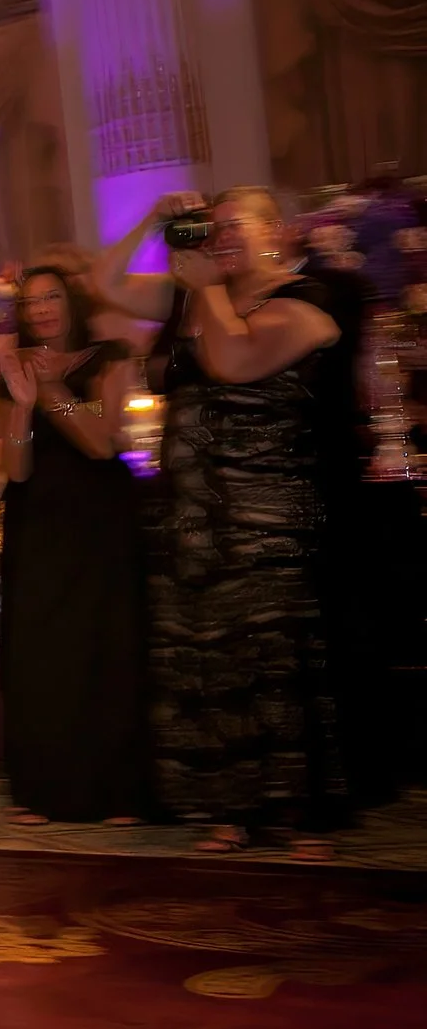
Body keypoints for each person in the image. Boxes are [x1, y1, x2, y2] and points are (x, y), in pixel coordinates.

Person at [95, 189, 344, 856]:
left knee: (270, 659)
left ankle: (294, 812)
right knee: (203, 658)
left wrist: (205, 288)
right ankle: (224, 808)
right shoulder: (190, 293)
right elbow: (104, 283)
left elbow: (233, 361)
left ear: (277, 231)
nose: (221, 235)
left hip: (266, 511)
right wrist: (150, 222)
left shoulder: (308, 300)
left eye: (236, 224)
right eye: (214, 225)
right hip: (189, 511)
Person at [0, 267, 154, 825]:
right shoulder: (14, 366)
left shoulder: (108, 356)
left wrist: (51, 390)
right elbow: (15, 469)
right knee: (42, 653)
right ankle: (45, 790)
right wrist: (19, 402)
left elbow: (101, 444)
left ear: (72, 302)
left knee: (104, 648)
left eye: (51, 297)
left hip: (100, 519)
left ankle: (117, 793)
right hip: (37, 520)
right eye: (30, 300)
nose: (40, 309)